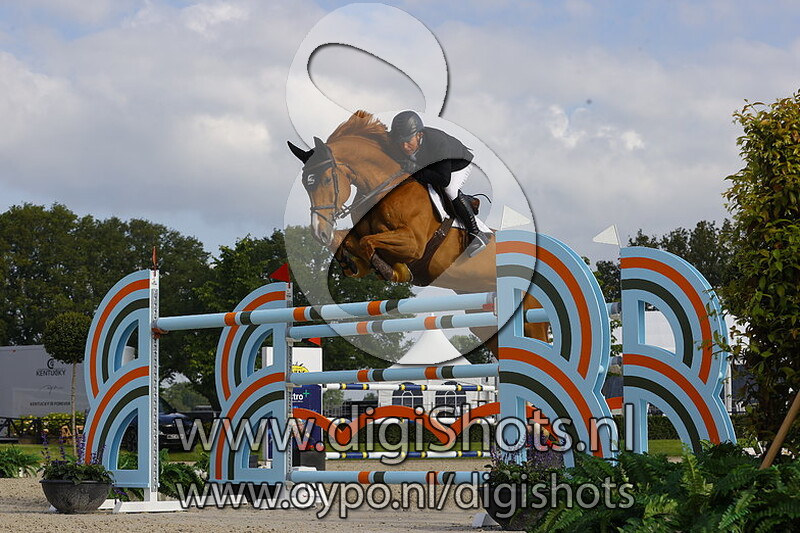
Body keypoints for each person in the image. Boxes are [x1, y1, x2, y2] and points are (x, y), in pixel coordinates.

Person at [389, 110, 490, 257]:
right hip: (430, 164)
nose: (405, 147)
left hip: (457, 164)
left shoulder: (438, 143)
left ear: (419, 135)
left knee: (449, 190)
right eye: (400, 142)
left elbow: (444, 179)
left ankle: (476, 233)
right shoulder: (401, 141)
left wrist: (414, 170)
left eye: (408, 141)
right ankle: (468, 201)